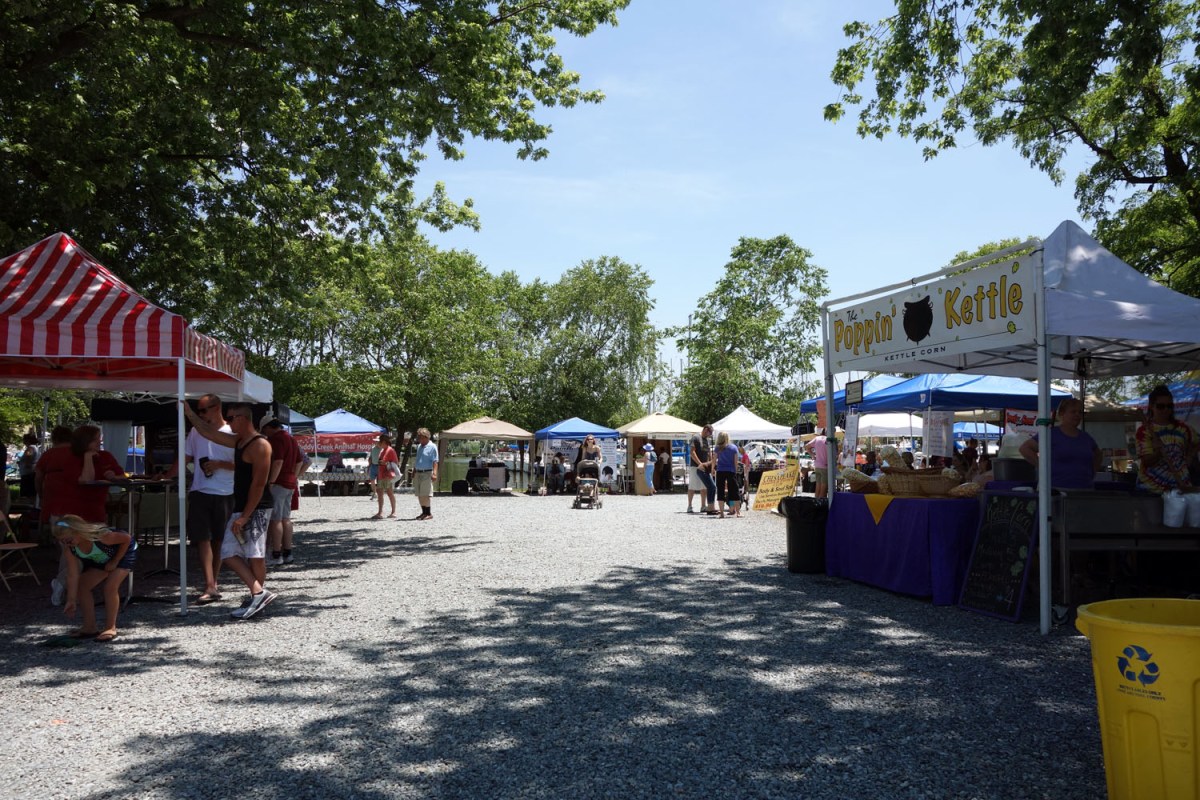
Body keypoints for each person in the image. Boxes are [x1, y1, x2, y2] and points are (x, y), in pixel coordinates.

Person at [183, 401, 277, 619]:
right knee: (228, 552)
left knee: (255, 555)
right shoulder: (238, 441)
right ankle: (258, 593)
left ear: (243, 419)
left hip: (256, 508)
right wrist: (189, 413)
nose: (228, 422)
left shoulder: (260, 445)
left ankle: (257, 596)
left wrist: (245, 516)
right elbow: (208, 433)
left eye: (232, 418)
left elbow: (259, 484)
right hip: (241, 506)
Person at [166, 394, 235, 604]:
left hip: (225, 492)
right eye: (199, 411)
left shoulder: (232, 432)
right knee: (202, 538)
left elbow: (244, 464)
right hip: (200, 490)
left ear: (217, 408)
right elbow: (185, 457)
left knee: (219, 540)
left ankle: (214, 580)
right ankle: (209, 584)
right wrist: (167, 476)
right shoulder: (196, 431)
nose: (201, 415)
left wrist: (220, 464)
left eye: (204, 410)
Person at [53, 515, 136, 642]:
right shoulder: (70, 549)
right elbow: (73, 575)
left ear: (78, 532)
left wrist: (115, 561)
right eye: (62, 541)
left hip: (123, 553)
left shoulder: (102, 536)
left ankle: (111, 627)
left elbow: (127, 539)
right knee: (82, 585)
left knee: (110, 587)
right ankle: (89, 627)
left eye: (68, 540)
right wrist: (71, 600)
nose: (67, 544)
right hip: (102, 558)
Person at [34, 426, 81, 605]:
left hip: (55, 504)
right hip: (77, 504)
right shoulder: (78, 453)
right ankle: (64, 582)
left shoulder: (48, 455)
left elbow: (38, 477)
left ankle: (63, 583)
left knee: (65, 545)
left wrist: (41, 495)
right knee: (73, 547)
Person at [1019, 397, 1102, 489]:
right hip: (1057, 490)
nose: (1077, 415)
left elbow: (1098, 454)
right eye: (1073, 412)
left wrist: (1093, 471)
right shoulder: (1051, 434)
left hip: (1085, 490)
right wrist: (1042, 466)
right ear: (1062, 413)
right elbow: (1025, 448)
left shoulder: (1086, 437)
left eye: (1080, 412)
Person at [1134, 384, 1197, 494]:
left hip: (1181, 489)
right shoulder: (1144, 431)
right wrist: (1158, 452)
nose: (1166, 409)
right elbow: (1146, 461)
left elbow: (1196, 443)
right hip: (1152, 491)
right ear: (1151, 406)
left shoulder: (1183, 428)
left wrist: (1189, 457)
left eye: (1169, 406)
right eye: (1161, 406)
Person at [261, 418, 301, 566]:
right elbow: (300, 461)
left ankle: (276, 554)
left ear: (269, 427)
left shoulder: (276, 439)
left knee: (275, 519)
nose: (264, 433)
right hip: (290, 482)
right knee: (286, 518)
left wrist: (271, 482)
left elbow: (278, 462)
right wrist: (294, 477)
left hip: (279, 483)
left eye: (264, 430)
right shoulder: (291, 439)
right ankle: (288, 552)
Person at [687, 424, 717, 514]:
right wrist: (700, 463)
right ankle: (689, 506)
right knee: (692, 486)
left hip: (705, 467)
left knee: (704, 487)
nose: (710, 435)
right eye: (710, 432)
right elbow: (692, 452)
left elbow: (709, 453)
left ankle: (703, 506)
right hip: (695, 466)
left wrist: (711, 466)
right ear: (705, 429)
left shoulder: (706, 440)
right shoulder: (695, 438)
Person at [411, 427, 439, 520]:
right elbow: (417, 460)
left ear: (426, 437)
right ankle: (423, 512)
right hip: (418, 472)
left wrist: (434, 473)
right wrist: (414, 470)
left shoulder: (432, 447)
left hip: (427, 473)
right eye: (419, 437)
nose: (419, 439)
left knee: (425, 494)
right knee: (419, 494)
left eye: (421, 437)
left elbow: (435, 461)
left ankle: (428, 513)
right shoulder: (419, 446)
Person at [713, 431, 741, 518]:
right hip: (731, 471)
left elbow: (714, 460)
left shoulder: (717, 448)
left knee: (720, 491)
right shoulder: (733, 448)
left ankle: (721, 513)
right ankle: (738, 512)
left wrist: (712, 469)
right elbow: (735, 461)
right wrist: (735, 471)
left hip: (720, 470)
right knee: (734, 491)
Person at [373, 433, 400, 519]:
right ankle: (380, 512)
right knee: (380, 492)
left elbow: (391, 462)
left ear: (384, 442)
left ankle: (393, 512)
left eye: (380, 442)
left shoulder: (389, 450)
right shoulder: (383, 450)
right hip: (381, 474)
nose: (378, 443)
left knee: (389, 492)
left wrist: (383, 462)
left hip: (387, 475)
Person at [805, 428, 831, 499]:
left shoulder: (817, 438)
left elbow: (807, 446)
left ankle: (816, 502)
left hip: (817, 465)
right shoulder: (829, 440)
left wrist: (813, 455)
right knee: (824, 488)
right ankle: (820, 503)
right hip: (825, 466)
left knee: (818, 486)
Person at [18, 432, 39, 499]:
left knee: (26, 495)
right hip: (29, 473)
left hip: (28, 475)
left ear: (28, 440)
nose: (23, 441)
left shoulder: (30, 448)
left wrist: (26, 463)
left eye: (24, 439)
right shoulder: (34, 447)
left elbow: (28, 455)